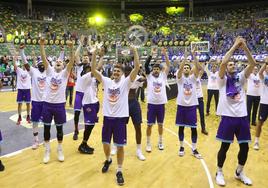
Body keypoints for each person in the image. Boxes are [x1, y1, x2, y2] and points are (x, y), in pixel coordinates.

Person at [91, 46, 140, 186]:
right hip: (107, 118)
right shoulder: (107, 81)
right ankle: (108, 160)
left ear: (122, 74)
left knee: (119, 146)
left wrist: (135, 51)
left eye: (119, 71)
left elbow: (136, 68)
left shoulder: (126, 83)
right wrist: (94, 54)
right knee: (105, 143)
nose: (116, 72)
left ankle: (119, 171)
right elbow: (94, 70)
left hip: (119, 120)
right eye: (115, 71)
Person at [215, 37, 255, 186]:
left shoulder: (241, 77)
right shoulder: (222, 80)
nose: (231, 65)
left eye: (233, 64)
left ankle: (239, 171)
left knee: (245, 147)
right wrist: (234, 45)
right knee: (224, 147)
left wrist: (244, 47)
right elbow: (223, 62)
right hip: (228, 117)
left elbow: (252, 64)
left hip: (242, 117)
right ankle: (219, 171)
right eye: (229, 65)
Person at [40, 38, 74, 164]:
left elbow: (71, 61)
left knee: (59, 130)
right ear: (53, 65)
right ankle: (47, 151)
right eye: (57, 62)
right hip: (47, 105)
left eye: (60, 61)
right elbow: (44, 58)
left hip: (59, 105)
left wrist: (71, 48)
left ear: (63, 66)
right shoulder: (49, 72)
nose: (58, 62)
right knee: (46, 129)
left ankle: (60, 149)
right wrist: (42, 45)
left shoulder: (65, 74)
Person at [175, 49, 202, 159]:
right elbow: (180, 69)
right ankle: (181, 147)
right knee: (181, 128)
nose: (185, 69)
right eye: (184, 68)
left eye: (187, 68)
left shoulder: (193, 78)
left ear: (190, 70)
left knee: (193, 128)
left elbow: (198, 68)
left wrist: (194, 56)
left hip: (191, 106)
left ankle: (194, 148)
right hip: (181, 106)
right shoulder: (179, 79)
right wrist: (185, 58)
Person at [78, 47, 104, 154]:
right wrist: (94, 55)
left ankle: (84, 143)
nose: (91, 69)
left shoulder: (92, 78)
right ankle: (83, 144)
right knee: (89, 125)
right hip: (88, 104)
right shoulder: (84, 77)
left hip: (94, 103)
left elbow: (98, 67)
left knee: (91, 124)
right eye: (89, 68)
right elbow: (95, 68)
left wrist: (101, 56)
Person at [20, 44, 46, 149]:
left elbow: (59, 63)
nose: (41, 65)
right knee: (35, 122)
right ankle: (36, 141)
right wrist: (22, 52)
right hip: (35, 101)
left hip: (46, 102)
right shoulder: (34, 72)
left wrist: (62, 53)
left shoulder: (49, 72)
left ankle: (46, 140)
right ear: (37, 65)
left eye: (43, 63)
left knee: (46, 122)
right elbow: (26, 64)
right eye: (40, 64)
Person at [145, 48, 170, 152]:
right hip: (151, 104)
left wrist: (165, 54)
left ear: (160, 70)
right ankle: (148, 143)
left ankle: (160, 142)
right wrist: (151, 55)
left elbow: (168, 65)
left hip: (161, 104)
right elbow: (146, 65)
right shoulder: (149, 76)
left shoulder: (163, 76)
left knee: (160, 124)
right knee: (149, 125)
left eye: (157, 69)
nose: (155, 70)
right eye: (154, 69)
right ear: (152, 70)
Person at [73, 35, 90, 140]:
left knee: (87, 115)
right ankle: (76, 130)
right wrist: (80, 44)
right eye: (84, 57)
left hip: (87, 94)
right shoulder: (79, 66)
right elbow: (75, 55)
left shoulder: (91, 67)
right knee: (76, 114)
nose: (85, 58)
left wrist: (90, 47)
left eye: (86, 57)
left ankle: (86, 131)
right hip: (79, 93)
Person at [253, 60, 268, 150]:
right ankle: (256, 142)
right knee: (260, 123)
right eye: (267, 68)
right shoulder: (264, 77)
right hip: (264, 103)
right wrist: (266, 63)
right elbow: (260, 72)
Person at [13, 55, 31, 125]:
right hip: (20, 89)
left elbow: (35, 65)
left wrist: (34, 56)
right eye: (23, 64)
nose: (24, 65)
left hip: (27, 89)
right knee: (19, 104)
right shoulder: (19, 70)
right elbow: (14, 65)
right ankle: (19, 117)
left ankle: (28, 116)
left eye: (25, 64)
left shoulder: (29, 71)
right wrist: (14, 58)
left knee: (28, 104)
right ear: (22, 65)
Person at [195, 64, 208, 135]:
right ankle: (194, 127)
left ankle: (203, 129)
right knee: (193, 115)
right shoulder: (191, 78)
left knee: (202, 114)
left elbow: (202, 69)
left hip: (200, 98)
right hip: (193, 99)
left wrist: (196, 61)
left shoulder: (198, 77)